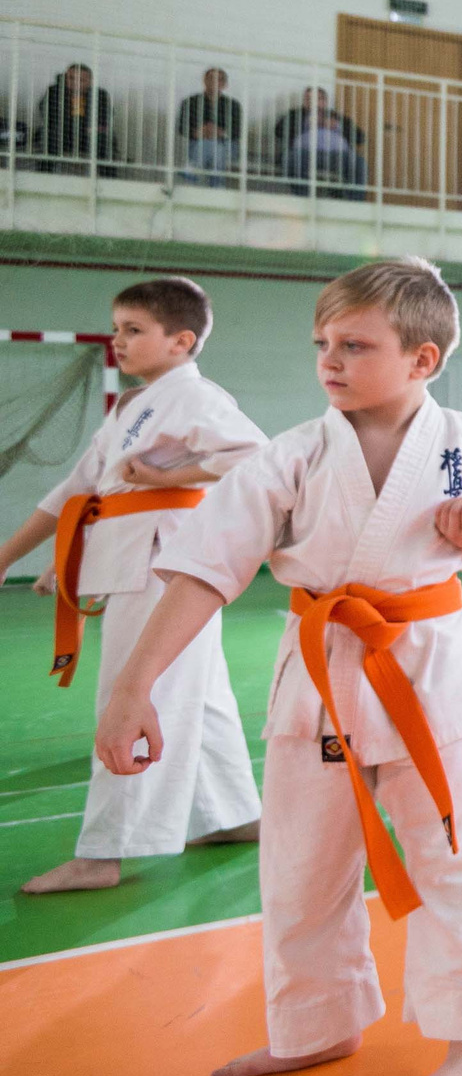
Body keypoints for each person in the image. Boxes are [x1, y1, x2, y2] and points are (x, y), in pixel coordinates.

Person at [98, 256, 462, 1076]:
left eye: (355, 344)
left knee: (453, 860)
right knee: (299, 866)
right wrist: (132, 682)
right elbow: (201, 569)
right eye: (322, 343)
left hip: (428, 674)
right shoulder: (290, 455)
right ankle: (316, 1026)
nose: (329, 360)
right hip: (322, 673)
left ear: (422, 360)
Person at [0, 277, 264, 894]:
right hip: (134, 559)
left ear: (182, 341)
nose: (118, 341)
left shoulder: (195, 398)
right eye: (117, 328)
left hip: (164, 567)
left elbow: (256, 455)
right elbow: (75, 492)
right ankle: (232, 815)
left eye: (133, 330)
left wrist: (168, 473)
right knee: (200, 697)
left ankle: (104, 852)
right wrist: (24, 556)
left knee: (131, 698)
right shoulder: (132, 407)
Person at [34, 63, 112, 173]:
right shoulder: (54, 91)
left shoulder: (101, 95)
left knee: (107, 141)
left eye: (81, 80)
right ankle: (44, 177)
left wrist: (94, 128)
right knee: (49, 137)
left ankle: (107, 180)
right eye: (71, 78)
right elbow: (46, 112)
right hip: (61, 134)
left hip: (89, 136)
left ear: (90, 82)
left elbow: (106, 116)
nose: (75, 83)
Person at [177, 68, 244, 185]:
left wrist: (221, 133)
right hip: (198, 144)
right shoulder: (190, 102)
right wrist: (197, 132)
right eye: (211, 78)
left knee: (214, 144)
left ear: (225, 84)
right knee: (211, 144)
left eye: (220, 79)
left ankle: (192, 170)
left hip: (228, 145)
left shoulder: (233, 105)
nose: (215, 82)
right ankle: (217, 183)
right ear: (205, 80)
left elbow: (238, 131)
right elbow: (182, 128)